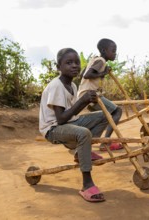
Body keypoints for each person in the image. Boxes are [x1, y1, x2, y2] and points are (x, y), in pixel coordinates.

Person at [39, 48, 107, 202]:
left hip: (69, 122)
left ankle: (83, 151)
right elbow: (61, 119)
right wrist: (83, 101)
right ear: (58, 67)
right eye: (68, 62)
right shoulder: (57, 86)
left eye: (77, 62)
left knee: (104, 116)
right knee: (83, 133)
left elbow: (72, 113)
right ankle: (87, 185)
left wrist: (89, 101)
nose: (74, 65)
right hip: (53, 128)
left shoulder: (73, 86)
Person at [77, 38, 123, 152]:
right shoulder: (101, 61)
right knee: (117, 111)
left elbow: (83, 73)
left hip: (84, 94)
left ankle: (85, 140)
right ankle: (105, 142)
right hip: (90, 95)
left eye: (115, 51)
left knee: (104, 117)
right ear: (104, 50)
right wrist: (104, 72)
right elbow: (87, 75)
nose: (115, 53)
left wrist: (102, 73)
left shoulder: (94, 59)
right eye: (113, 51)